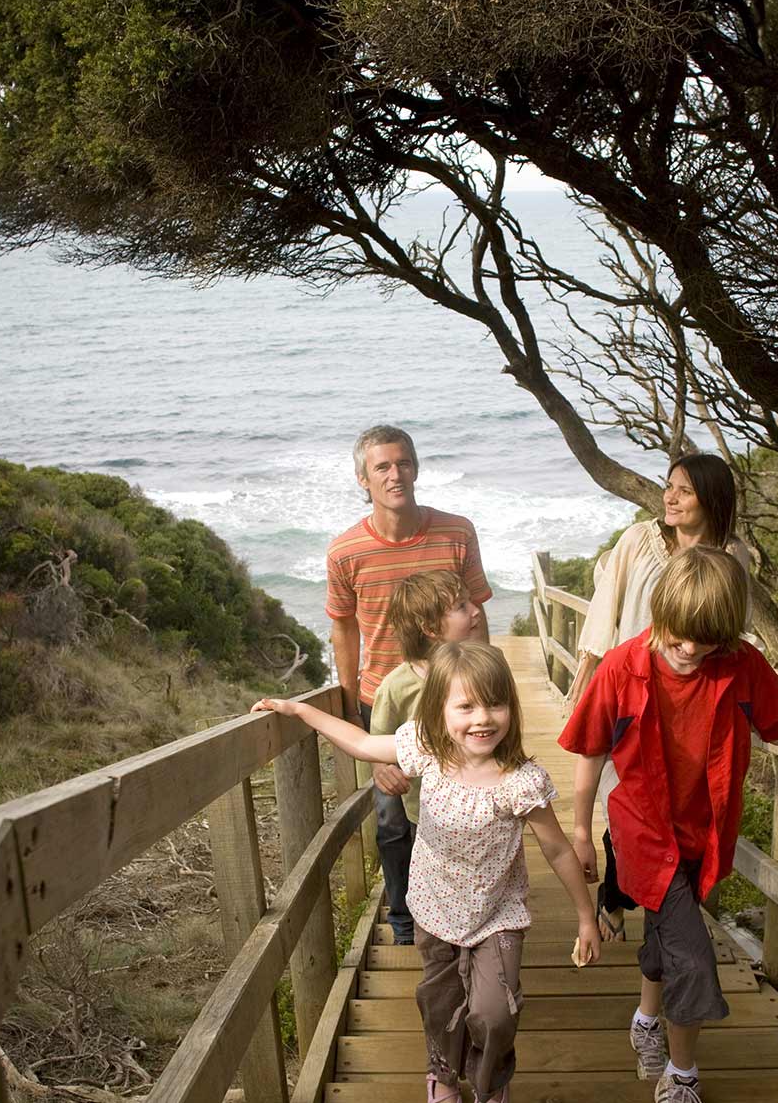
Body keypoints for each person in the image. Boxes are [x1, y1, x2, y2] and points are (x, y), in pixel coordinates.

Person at [560, 547, 778, 1103]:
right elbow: (589, 753)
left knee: (665, 933)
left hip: (704, 834)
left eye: (705, 640)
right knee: (695, 960)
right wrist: (581, 833)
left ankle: (647, 1022)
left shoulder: (740, 664)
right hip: (644, 834)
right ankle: (681, 1077)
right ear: (661, 613)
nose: (689, 650)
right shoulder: (621, 668)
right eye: (678, 636)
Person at [255, 641, 603, 1103]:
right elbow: (361, 744)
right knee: (440, 1004)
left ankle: (489, 1079)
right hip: (434, 905)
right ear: (439, 710)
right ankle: (442, 1075)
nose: (482, 718)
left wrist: (585, 917)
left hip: (497, 912)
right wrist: (299, 711)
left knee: (494, 1013)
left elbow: (558, 850)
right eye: (466, 706)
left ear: (510, 708)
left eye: (495, 703)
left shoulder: (522, 780)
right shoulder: (426, 749)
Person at [566, 453, 778, 942]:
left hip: (690, 690)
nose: (669, 498)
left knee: (665, 810)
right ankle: (617, 894)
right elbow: (605, 605)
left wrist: (759, 662)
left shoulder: (731, 555)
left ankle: (651, 914)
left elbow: (728, 623)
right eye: (668, 486)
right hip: (630, 685)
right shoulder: (639, 539)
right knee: (625, 803)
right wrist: (590, 669)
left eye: (683, 491)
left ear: (711, 500)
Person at [327, 424, 493, 945]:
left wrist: (489, 683)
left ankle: (467, 910)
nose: (394, 474)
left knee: (466, 812)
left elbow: (478, 614)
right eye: (382, 467)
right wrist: (351, 699)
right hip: (386, 701)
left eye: (403, 463)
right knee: (393, 821)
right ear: (363, 478)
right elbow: (343, 626)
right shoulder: (345, 552)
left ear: (416, 468)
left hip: (457, 702)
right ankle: (403, 918)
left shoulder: (456, 532)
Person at [368, 570, 484, 860]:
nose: (475, 610)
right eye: (461, 606)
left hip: (484, 803)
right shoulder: (396, 687)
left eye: (470, 602)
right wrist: (382, 768)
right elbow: (377, 745)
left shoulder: (480, 671)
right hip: (427, 814)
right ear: (430, 627)